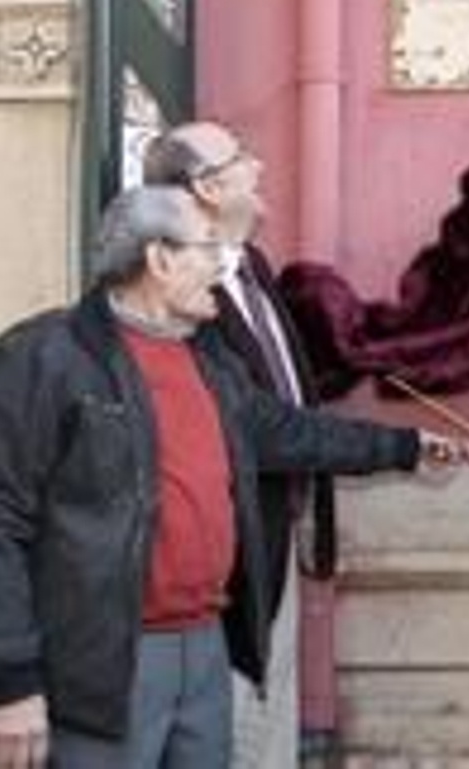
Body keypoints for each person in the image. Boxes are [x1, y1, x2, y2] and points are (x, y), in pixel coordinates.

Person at [0, 186, 455, 769]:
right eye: (209, 247)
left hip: (206, 650)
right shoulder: (44, 357)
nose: (223, 265)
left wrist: (408, 447)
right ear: (159, 260)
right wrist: (10, 683)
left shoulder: (211, 360)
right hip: (104, 661)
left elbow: (290, 433)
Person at [141, 121, 324, 764]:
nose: (262, 166)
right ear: (210, 188)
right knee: (238, 738)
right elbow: (258, 427)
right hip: (227, 564)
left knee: (271, 728)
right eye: (244, 158)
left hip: (276, 537)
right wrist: (403, 446)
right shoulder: (183, 295)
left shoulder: (253, 267)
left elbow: (284, 387)